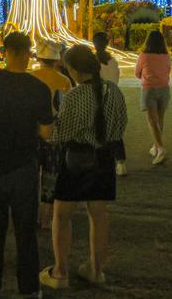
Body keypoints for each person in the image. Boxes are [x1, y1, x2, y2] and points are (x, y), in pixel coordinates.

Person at [0, 32, 54, 299]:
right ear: (29, 53)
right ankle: (29, 289)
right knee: (26, 231)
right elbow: (47, 133)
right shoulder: (38, 87)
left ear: (5, 52)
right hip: (25, 166)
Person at [40, 45, 128, 289]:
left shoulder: (75, 97)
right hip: (104, 158)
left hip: (76, 159)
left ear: (75, 70)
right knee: (98, 215)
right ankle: (96, 269)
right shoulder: (113, 91)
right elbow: (121, 126)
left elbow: (59, 135)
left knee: (62, 214)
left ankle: (60, 272)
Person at [31, 40, 73, 228]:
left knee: (30, 173)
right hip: (55, 132)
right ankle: (47, 216)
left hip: (32, 131)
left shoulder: (30, 78)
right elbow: (65, 109)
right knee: (51, 172)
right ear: (57, 60)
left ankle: (29, 212)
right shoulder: (64, 81)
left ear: (39, 58)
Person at [135, 30, 172, 166]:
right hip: (164, 89)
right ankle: (156, 147)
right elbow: (168, 70)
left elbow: (137, 73)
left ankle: (161, 149)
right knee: (160, 119)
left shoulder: (143, 56)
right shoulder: (166, 56)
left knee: (152, 121)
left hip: (149, 90)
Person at [93, 31, 127, 176]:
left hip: (96, 97)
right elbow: (116, 79)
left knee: (96, 129)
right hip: (113, 96)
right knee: (114, 130)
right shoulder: (113, 61)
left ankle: (99, 161)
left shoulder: (92, 61)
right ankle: (121, 163)